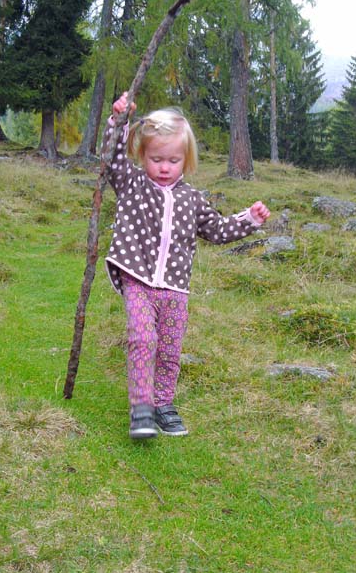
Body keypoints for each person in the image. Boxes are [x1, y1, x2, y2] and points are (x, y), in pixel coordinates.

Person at [101, 92, 270, 440]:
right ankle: (142, 408)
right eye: (156, 159)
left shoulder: (192, 199)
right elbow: (112, 159)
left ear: (186, 160)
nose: (164, 167)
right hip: (137, 278)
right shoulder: (132, 184)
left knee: (170, 350)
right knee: (143, 339)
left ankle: (163, 404)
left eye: (173, 160)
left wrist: (248, 220)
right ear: (143, 155)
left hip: (175, 288)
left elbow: (217, 230)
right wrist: (118, 121)